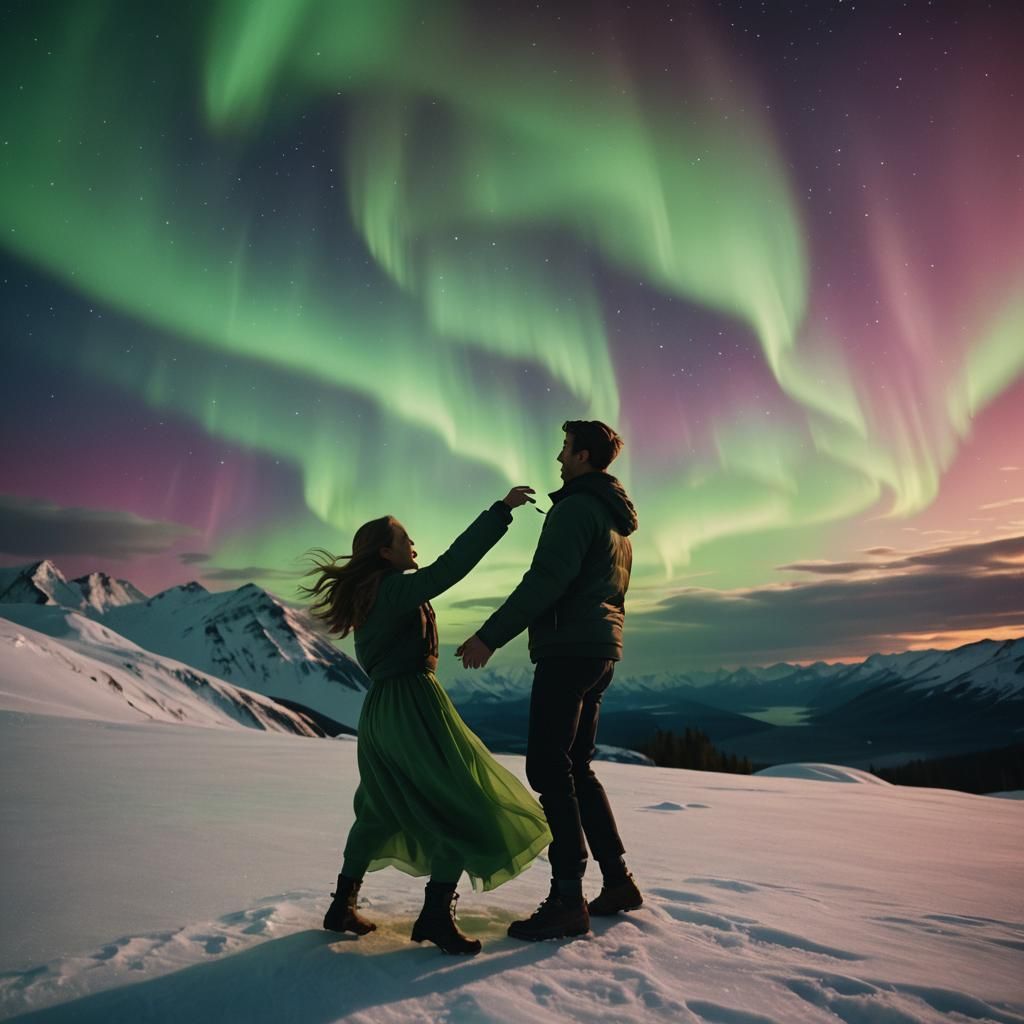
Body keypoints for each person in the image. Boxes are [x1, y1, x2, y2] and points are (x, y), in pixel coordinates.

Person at [301, 486, 551, 955]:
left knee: (378, 808)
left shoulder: (370, 592)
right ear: (385, 552)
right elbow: (451, 567)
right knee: (457, 800)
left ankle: (342, 905)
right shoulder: (393, 589)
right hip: (413, 705)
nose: (413, 546)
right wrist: (501, 512)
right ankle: (435, 914)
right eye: (406, 539)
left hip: (379, 711)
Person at [458, 420, 642, 941]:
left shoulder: (576, 509)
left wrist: (490, 636)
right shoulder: (613, 520)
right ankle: (617, 881)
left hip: (568, 650)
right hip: (601, 651)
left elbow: (545, 580)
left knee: (547, 765)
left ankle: (567, 898)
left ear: (583, 456)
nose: (558, 458)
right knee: (576, 767)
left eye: (564, 450)